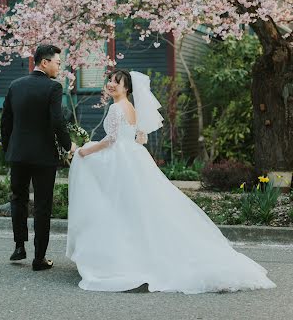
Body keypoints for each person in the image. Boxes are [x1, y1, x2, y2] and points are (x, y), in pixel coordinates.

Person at [66, 69, 276, 293]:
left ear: (126, 88)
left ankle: (122, 256)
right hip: (133, 157)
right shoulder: (131, 108)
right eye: (110, 80)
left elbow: (111, 140)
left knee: (113, 197)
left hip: (120, 158)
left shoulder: (117, 108)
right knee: (135, 209)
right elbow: (141, 136)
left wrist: (86, 151)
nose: (111, 84)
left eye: (116, 82)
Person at [1, 44, 76, 270]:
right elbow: (57, 120)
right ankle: (39, 258)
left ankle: (19, 247)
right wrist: (68, 145)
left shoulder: (15, 85)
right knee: (43, 205)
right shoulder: (53, 88)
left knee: (18, 199)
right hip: (43, 156)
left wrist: (9, 149)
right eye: (57, 63)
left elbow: (6, 121)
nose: (59, 68)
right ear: (45, 62)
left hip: (19, 154)